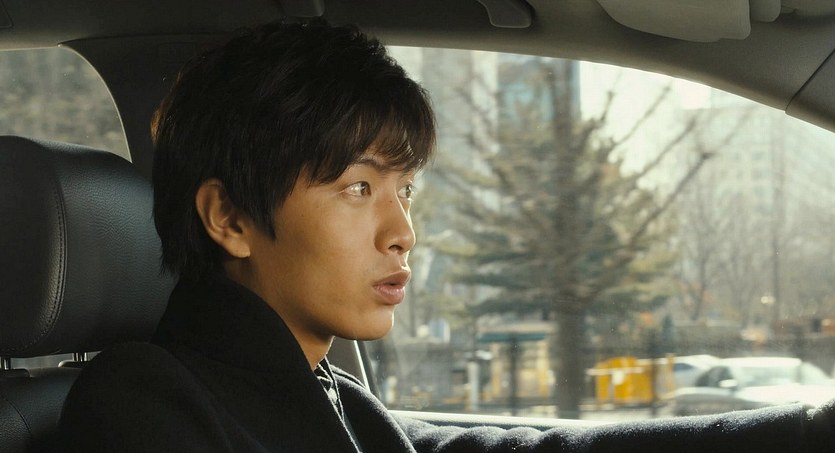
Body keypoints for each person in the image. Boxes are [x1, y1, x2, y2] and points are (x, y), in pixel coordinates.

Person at [59, 20, 835, 453]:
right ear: (229, 218)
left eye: (404, 190)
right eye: (358, 188)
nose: (402, 232)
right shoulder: (143, 407)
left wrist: (808, 430)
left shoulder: (343, 402)